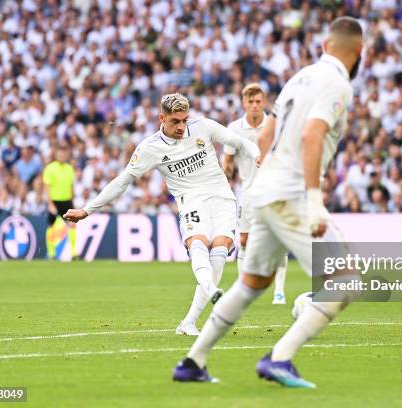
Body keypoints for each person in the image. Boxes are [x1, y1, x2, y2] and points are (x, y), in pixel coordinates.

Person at [173, 16, 363, 388]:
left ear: (325, 46)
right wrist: (313, 200)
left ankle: (193, 361)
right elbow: (312, 137)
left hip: (261, 191)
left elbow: (266, 138)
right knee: (346, 281)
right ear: (359, 52)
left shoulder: (300, 77)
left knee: (251, 283)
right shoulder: (338, 84)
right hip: (289, 194)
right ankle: (279, 358)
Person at [63, 94, 260, 336]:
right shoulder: (150, 148)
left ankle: (188, 322)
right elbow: (123, 181)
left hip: (223, 200)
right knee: (198, 244)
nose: (181, 127)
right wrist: (87, 209)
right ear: (161, 118)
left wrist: (255, 151)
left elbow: (237, 141)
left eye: (184, 121)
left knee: (219, 253)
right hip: (192, 202)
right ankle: (210, 288)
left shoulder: (203, 127)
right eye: (175, 121)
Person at [222, 83, 288, 305]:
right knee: (244, 240)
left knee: (278, 240)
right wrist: (225, 178)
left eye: (258, 101)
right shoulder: (234, 129)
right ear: (243, 103)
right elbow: (228, 159)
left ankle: (279, 291)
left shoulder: (275, 125)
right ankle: (244, 288)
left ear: (264, 102)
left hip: (274, 189)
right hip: (248, 191)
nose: (254, 105)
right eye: (250, 101)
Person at [43, 145, 77, 260]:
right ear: (56, 155)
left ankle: (74, 253)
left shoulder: (69, 168)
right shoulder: (50, 168)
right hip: (55, 201)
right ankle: (51, 253)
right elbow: (47, 188)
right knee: (52, 226)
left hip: (67, 201)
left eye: (64, 154)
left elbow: (71, 187)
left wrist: (73, 202)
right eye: (60, 154)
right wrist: (50, 203)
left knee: (72, 225)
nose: (62, 156)